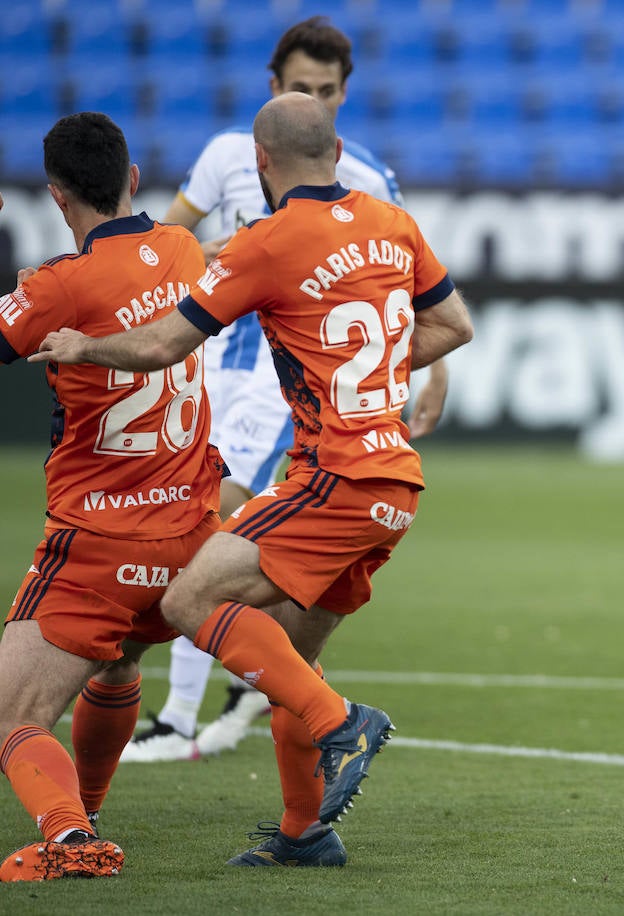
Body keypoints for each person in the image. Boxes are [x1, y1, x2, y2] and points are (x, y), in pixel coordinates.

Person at [32, 92, 475, 868]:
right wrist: (360, 375)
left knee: (191, 600)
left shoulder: (264, 243)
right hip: (396, 487)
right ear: (337, 154)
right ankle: (307, 834)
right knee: (288, 662)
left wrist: (85, 346)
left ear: (260, 163)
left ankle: (341, 723)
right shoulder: (393, 222)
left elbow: (167, 343)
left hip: (331, 478)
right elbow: (453, 326)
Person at [122, 14, 451, 765]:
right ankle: (299, 805)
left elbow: (412, 301)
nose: (317, 99)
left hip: (283, 389)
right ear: (274, 90)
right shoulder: (227, 156)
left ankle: (178, 718)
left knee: (211, 538)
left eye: (328, 90)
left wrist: (419, 372)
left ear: (343, 100)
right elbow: (168, 246)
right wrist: (193, 257)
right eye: (303, 87)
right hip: (217, 372)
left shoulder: (366, 181)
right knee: (207, 544)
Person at [0, 112, 225, 880]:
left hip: (101, 539)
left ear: (58, 199)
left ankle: (70, 838)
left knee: (13, 712)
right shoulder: (186, 251)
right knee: (118, 666)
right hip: (193, 532)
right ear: (131, 179)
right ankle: (87, 810)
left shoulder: (58, 286)